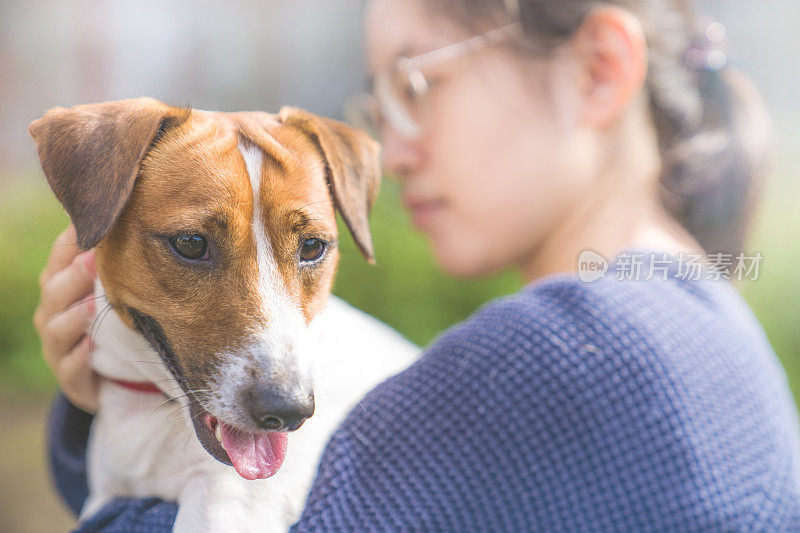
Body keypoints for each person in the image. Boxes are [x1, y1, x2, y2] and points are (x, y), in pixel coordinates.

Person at [36, 0, 800, 530]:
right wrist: (121, 389)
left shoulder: (576, 358)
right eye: (380, 100)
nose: (392, 154)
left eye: (418, 83)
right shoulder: (702, 326)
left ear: (598, 68)